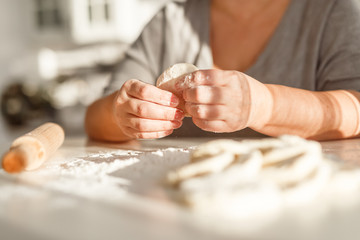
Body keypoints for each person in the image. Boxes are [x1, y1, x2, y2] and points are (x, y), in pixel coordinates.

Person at [85, 0, 360, 142]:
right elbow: (96, 118)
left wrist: (263, 106)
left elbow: (354, 109)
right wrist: (122, 114)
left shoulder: (332, 13)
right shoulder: (169, 23)